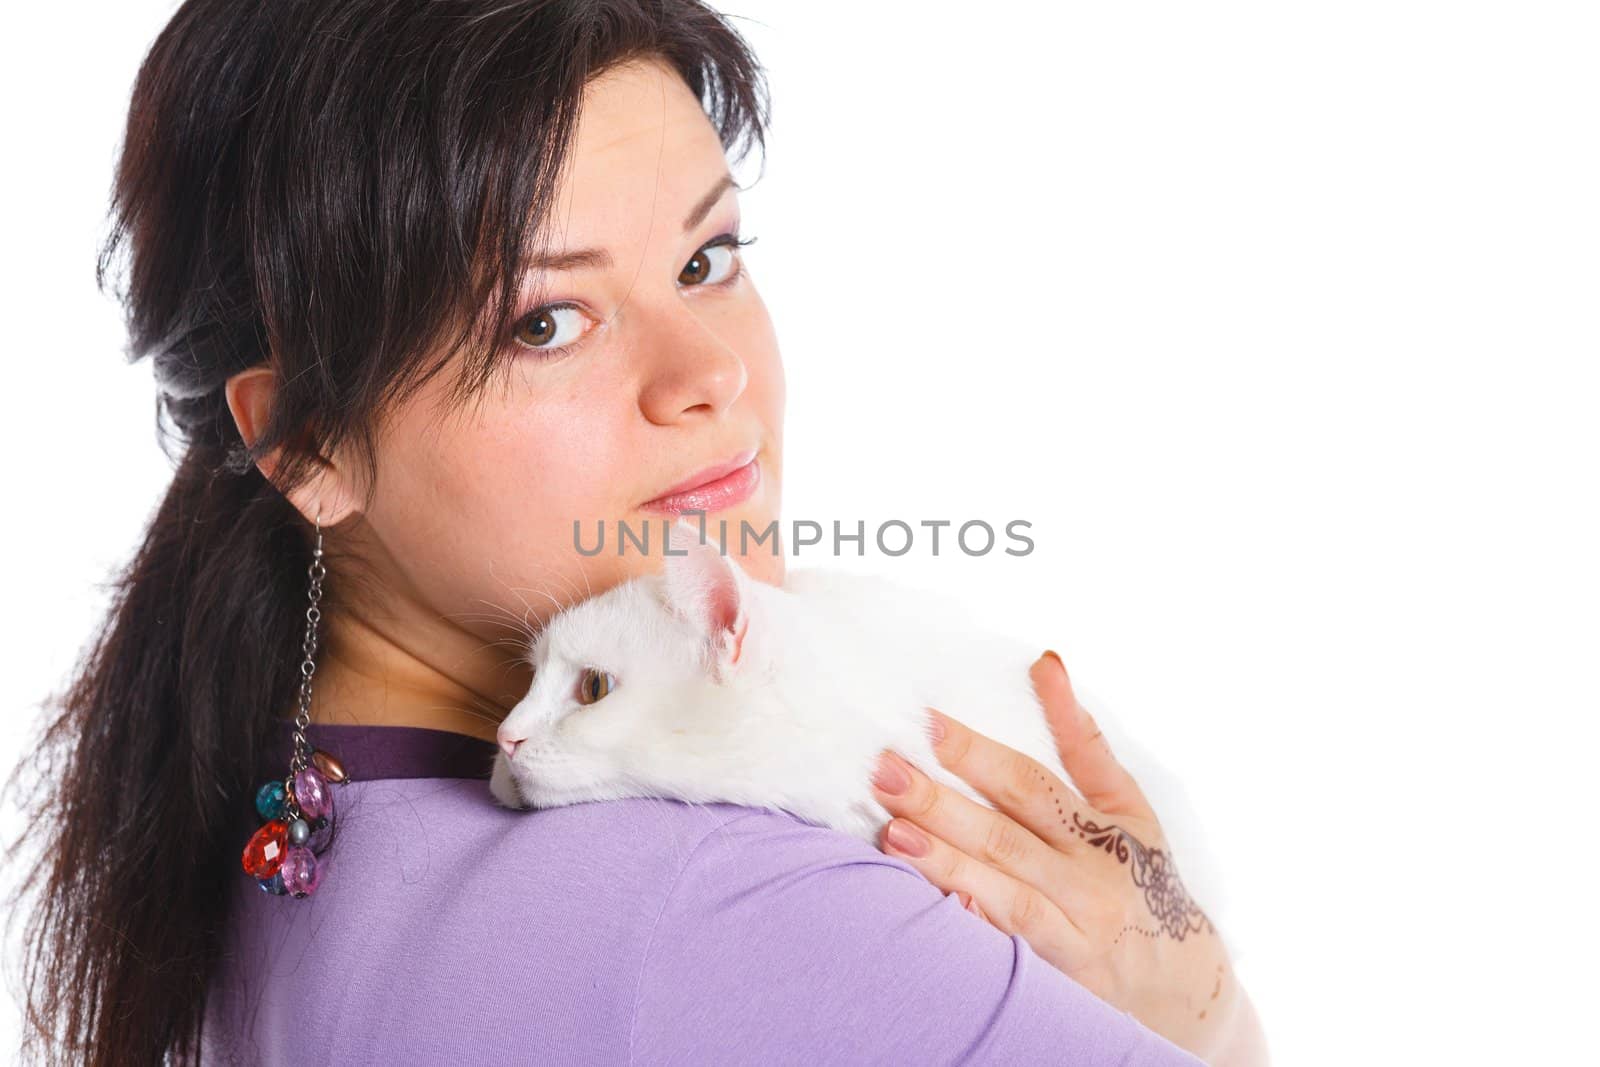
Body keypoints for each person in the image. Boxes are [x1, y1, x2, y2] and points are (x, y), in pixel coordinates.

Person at [4, 1, 1267, 1063]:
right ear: (307, 443)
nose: (708, 373)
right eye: (544, 321)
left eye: (707, 258)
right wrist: (1195, 1009)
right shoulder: (728, 905)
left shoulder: (278, 827)